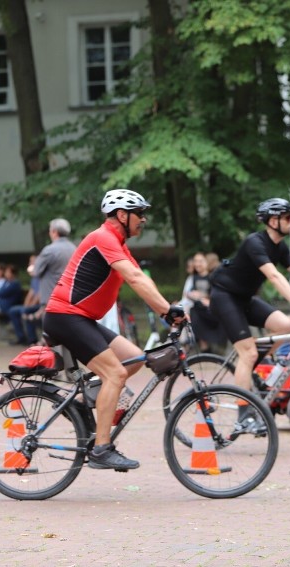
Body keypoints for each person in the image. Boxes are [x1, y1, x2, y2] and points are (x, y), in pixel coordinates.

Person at [43, 189, 185, 470]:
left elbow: (142, 279)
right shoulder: (103, 238)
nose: (143, 220)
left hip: (81, 318)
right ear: (122, 215)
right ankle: (101, 449)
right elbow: (132, 278)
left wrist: (168, 309)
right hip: (66, 316)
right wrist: (166, 312)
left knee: (133, 358)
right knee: (116, 373)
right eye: (139, 214)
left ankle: (82, 403)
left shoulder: (118, 243)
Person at [208, 198, 290, 433]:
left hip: (244, 299)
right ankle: (243, 416)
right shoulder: (254, 242)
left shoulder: (281, 247)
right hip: (225, 296)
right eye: (288, 217)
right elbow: (275, 277)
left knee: (285, 325)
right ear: (273, 221)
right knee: (247, 353)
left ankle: (252, 365)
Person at [183, 251, 226, 353]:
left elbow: (217, 293)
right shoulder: (193, 277)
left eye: (200, 261)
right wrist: (193, 295)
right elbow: (188, 293)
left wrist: (204, 297)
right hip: (198, 307)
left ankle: (216, 346)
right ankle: (203, 346)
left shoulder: (213, 276)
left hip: (212, 307)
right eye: (196, 261)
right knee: (194, 311)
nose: (198, 264)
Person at [8, 255, 41, 346]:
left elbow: (39, 295)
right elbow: (31, 293)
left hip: (40, 305)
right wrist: (26, 305)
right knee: (13, 311)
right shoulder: (34, 278)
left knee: (26, 311)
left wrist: (28, 308)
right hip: (32, 305)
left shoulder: (41, 276)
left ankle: (32, 340)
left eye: (32, 262)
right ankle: (21, 337)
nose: (30, 264)